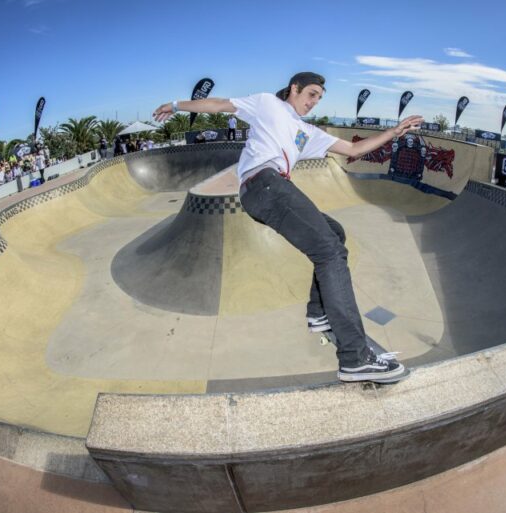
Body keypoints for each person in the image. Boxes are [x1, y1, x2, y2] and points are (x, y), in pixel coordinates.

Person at [153, 72, 423, 383]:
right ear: (294, 89)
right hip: (264, 183)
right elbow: (218, 105)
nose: (314, 102)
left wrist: (394, 132)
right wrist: (175, 105)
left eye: (319, 98)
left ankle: (318, 312)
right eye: (311, 94)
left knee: (334, 234)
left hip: (271, 190)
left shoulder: (306, 131)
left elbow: (353, 150)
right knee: (330, 253)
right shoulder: (267, 103)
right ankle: (356, 358)